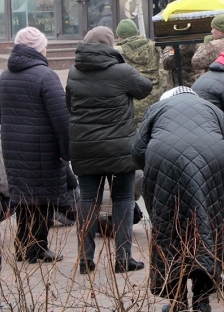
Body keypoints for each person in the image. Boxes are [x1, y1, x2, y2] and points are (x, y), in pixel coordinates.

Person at [133, 87, 224, 312]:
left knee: (168, 231)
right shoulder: (212, 109)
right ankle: (202, 300)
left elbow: (137, 151)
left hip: (164, 160)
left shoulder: (157, 108)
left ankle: (177, 301)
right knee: (208, 228)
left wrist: (154, 171)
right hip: (213, 162)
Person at [66, 26, 152, 274]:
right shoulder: (122, 71)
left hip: (84, 147)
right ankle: (123, 258)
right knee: (123, 199)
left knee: (87, 201)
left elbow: (69, 105)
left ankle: (85, 259)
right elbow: (145, 87)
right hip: (119, 148)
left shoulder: (74, 71)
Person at [0, 27, 71, 263]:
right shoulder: (46, 76)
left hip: (14, 147)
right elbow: (61, 118)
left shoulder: (5, 75)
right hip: (43, 149)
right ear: (39, 49)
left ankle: (23, 246)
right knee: (43, 199)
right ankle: (37, 248)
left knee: (25, 199)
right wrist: (66, 152)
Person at [115, 18, 166, 126]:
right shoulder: (154, 46)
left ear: (120, 36)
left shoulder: (118, 52)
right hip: (154, 98)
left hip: (131, 101)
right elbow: (163, 72)